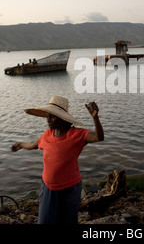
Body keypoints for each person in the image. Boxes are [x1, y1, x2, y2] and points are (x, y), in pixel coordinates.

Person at [10, 96, 104, 224]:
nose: (48, 120)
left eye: (52, 117)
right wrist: (20, 144)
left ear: (62, 119)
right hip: (48, 187)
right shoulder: (48, 134)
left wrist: (95, 117)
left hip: (70, 188)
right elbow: (33, 144)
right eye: (48, 116)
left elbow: (99, 137)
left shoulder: (76, 134)